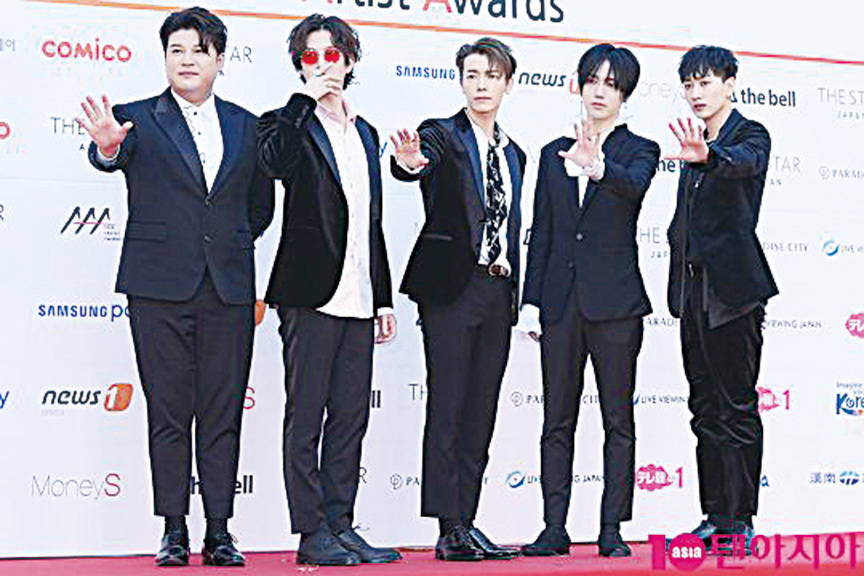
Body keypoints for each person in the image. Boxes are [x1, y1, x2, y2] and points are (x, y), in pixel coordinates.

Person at [77, 6, 274, 567]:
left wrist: (226, 244)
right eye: (176, 50)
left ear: (220, 59)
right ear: (164, 58)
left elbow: (259, 208)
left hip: (228, 289)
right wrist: (108, 147)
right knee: (168, 411)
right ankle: (173, 530)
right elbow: (109, 155)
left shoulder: (247, 125)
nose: (186, 60)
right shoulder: (136, 118)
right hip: (158, 288)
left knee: (223, 412)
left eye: (198, 51)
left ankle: (220, 531)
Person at [256, 13, 400, 567]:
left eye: (332, 55)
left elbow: (370, 220)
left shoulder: (366, 132)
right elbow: (275, 163)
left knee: (350, 416)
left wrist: (382, 297)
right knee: (306, 416)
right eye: (311, 57)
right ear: (300, 66)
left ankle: (341, 524)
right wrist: (303, 102)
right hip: (308, 293)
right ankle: (310, 531)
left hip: (359, 295)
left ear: (349, 61)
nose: (323, 65)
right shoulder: (285, 122)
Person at [519, 44, 659, 558]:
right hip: (560, 304)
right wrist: (531, 301)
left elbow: (634, 187)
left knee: (618, 420)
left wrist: (597, 166)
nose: (600, 91)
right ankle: (553, 527)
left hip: (617, 305)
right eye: (592, 80)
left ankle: (611, 527)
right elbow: (543, 231)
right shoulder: (551, 153)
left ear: (625, 94)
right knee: (556, 419)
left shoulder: (640, 150)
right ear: (578, 85)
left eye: (612, 84)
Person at [391, 37, 526, 562]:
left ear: (507, 84)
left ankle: (468, 520)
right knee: (447, 405)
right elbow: (417, 163)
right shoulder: (441, 134)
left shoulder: (514, 154)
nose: (481, 84)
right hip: (452, 289)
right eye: (472, 75)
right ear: (461, 81)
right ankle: (447, 527)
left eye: (491, 75)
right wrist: (410, 163)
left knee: (480, 411)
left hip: (498, 290)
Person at [665, 45, 777, 552]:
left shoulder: (750, 136)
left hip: (733, 294)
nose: (696, 93)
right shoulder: (695, 141)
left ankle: (741, 519)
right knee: (704, 408)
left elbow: (742, 166)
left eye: (705, 82)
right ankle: (714, 516)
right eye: (689, 84)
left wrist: (710, 157)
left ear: (730, 84)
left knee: (737, 406)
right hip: (692, 293)